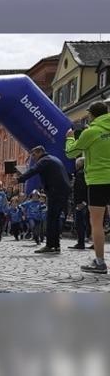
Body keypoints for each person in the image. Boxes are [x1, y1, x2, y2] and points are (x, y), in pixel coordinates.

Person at [65, 101, 110, 273]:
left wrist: (70, 138)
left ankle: (100, 262)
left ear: (91, 115)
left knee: (97, 223)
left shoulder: (90, 132)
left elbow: (71, 153)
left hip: (98, 181)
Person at [17, 145, 71, 254]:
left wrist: (20, 179)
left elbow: (33, 170)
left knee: (51, 219)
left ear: (40, 152)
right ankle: (56, 245)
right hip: (63, 191)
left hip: (55, 191)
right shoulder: (54, 159)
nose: (33, 158)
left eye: (34, 155)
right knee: (55, 218)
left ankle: (50, 245)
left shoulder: (44, 160)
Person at [68, 157, 89, 250]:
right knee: (83, 223)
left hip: (80, 203)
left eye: (77, 164)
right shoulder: (84, 173)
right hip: (83, 202)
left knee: (79, 223)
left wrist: (82, 202)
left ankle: (81, 243)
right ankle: (82, 241)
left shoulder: (80, 174)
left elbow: (81, 189)